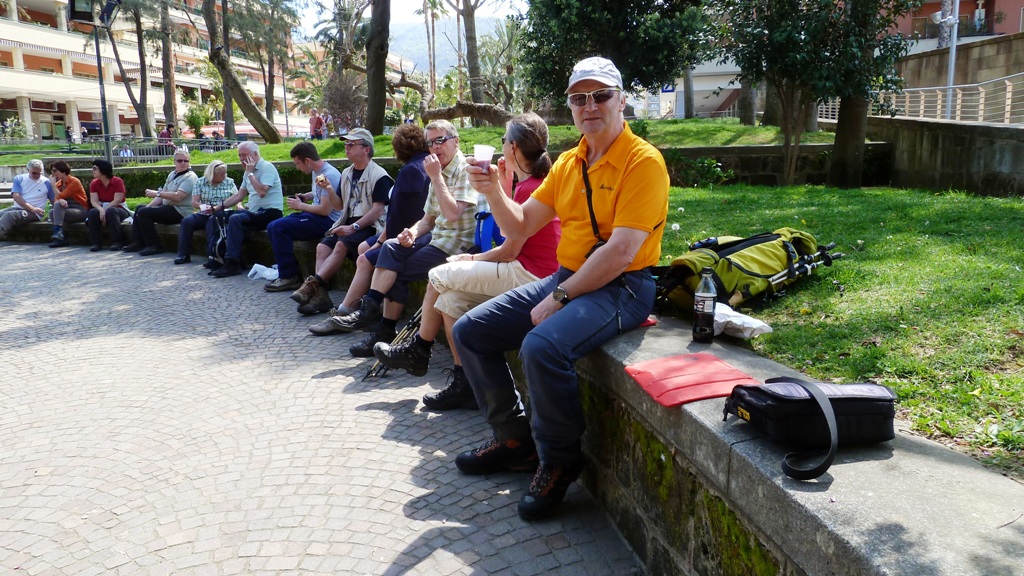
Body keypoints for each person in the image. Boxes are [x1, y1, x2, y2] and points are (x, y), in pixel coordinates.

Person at [452, 57, 669, 520]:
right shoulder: (569, 163)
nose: (589, 106)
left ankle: (559, 462)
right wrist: (494, 192)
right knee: (470, 331)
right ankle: (513, 441)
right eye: (579, 98)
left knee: (541, 347)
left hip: (623, 287)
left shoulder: (643, 162)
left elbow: (621, 252)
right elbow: (524, 225)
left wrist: (559, 297)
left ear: (621, 100)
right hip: (567, 276)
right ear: (569, 106)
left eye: (601, 95)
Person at [374, 113, 561, 411]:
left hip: (530, 275)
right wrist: (503, 185)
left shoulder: (532, 188)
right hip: (523, 268)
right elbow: (506, 237)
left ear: (513, 148)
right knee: (451, 301)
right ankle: (465, 383)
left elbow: (509, 251)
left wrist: (470, 257)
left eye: (503, 142)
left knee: (439, 275)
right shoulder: (528, 184)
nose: (500, 148)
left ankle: (419, 350)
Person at [307, 120, 477, 359]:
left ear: (456, 141)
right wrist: (413, 232)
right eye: (430, 143)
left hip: (456, 245)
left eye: (441, 140)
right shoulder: (436, 169)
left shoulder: (463, 170)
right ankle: (372, 315)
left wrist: (436, 177)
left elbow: (452, 214)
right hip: (435, 238)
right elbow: (428, 219)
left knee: (391, 267)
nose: (435, 147)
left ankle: (379, 326)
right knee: (391, 247)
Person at [290, 128, 392, 314]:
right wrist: (329, 189)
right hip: (348, 221)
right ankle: (320, 296)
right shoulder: (347, 173)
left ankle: (313, 288)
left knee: (340, 246)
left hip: (370, 225)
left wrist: (353, 227)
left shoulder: (379, 175)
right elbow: (338, 206)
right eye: (346, 144)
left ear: (366, 149)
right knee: (322, 247)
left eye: (351, 144)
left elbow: (378, 211)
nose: (346, 148)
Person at [261, 142, 344, 291]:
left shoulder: (329, 174)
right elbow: (319, 195)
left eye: (298, 164)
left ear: (307, 161)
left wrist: (300, 206)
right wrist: (306, 197)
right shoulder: (317, 171)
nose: (297, 168)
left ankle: (289, 276)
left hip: (329, 222)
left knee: (279, 227)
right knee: (273, 225)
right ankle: (287, 272)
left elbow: (325, 210)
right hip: (315, 216)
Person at [209, 141, 284, 277]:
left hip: (270, 212)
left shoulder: (267, 168)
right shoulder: (247, 172)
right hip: (254, 213)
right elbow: (239, 195)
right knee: (219, 216)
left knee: (236, 218)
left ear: (255, 154)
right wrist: (218, 208)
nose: (242, 159)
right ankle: (216, 258)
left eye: (244, 155)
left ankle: (233, 263)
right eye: (239, 156)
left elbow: (262, 192)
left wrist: (250, 174)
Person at [122, 147, 197, 256]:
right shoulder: (172, 174)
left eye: (186, 161)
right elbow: (163, 194)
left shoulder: (190, 177)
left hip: (181, 211)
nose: (183, 163)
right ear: (174, 162)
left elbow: (178, 197)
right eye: (180, 161)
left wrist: (157, 193)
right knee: (140, 209)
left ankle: (154, 245)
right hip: (169, 208)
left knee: (144, 213)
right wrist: (149, 206)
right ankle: (138, 242)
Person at [174, 159, 237, 264]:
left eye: (225, 173)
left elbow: (236, 197)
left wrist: (239, 205)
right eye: (221, 174)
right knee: (187, 221)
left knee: (212, 223)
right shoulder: (200, 182)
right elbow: (194, 202)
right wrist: (205, 207)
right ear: (212, 174)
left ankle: (212, 256)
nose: (224, 176)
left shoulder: (229, 182)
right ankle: (183, 254)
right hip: (205, 212)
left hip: (222, 213)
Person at [0, 159, 55, 240]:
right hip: (20, 208)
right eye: (34, 173)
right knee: (2, 213)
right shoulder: (19, 179)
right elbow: (16, 196)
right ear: (28, 170)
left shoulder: (47, 182)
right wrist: (32, 208)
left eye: (40, 173)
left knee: (10, 216)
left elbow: (53, 200)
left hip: (35, 213)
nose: (37, 175)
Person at [85, 158, 131, 251]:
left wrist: (105, 210)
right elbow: (94, 201)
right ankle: (96, 242)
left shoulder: (118, 181)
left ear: (103, 169)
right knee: (93, 212)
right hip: (103, 209)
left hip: (119, 209)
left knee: (111, 211)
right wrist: (101, 210)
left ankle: (117, 241)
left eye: (95, 168)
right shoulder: (94, 183)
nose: (92, 171)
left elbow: (117, 200)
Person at [46, 160, 89, 248]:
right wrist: (60, 199)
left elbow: (61, 195)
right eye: (52, 171)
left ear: (63, 170)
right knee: (52, 212)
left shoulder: (74, 181)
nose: (53, 174)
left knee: (57, 206)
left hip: (80, 209)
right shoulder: (59, 184)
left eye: (55, 171)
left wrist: (53, 186)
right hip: (67, 210)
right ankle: (61, 237)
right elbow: (56, 200)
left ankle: (57, 233)